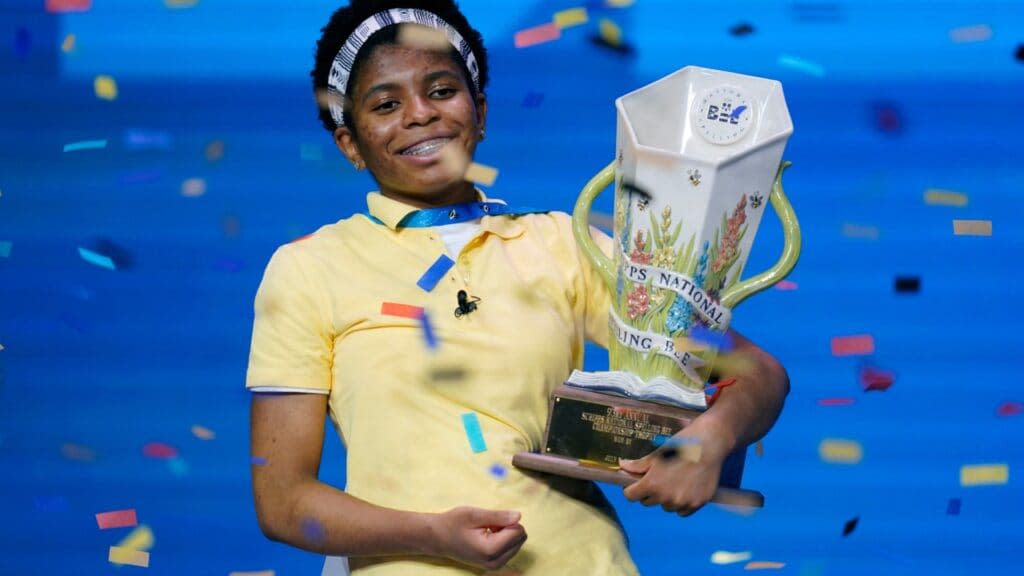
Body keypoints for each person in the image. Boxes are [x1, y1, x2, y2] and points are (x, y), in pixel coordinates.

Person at [246, 1, 790, 574]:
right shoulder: (309, 268)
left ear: (479, 112)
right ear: (350, 143)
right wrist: (432, 536)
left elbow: (761, 375)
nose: (419, 115)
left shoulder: (564, 245)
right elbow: (282, 503)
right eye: (386, 104)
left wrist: (709, 440)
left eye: (440, 90)